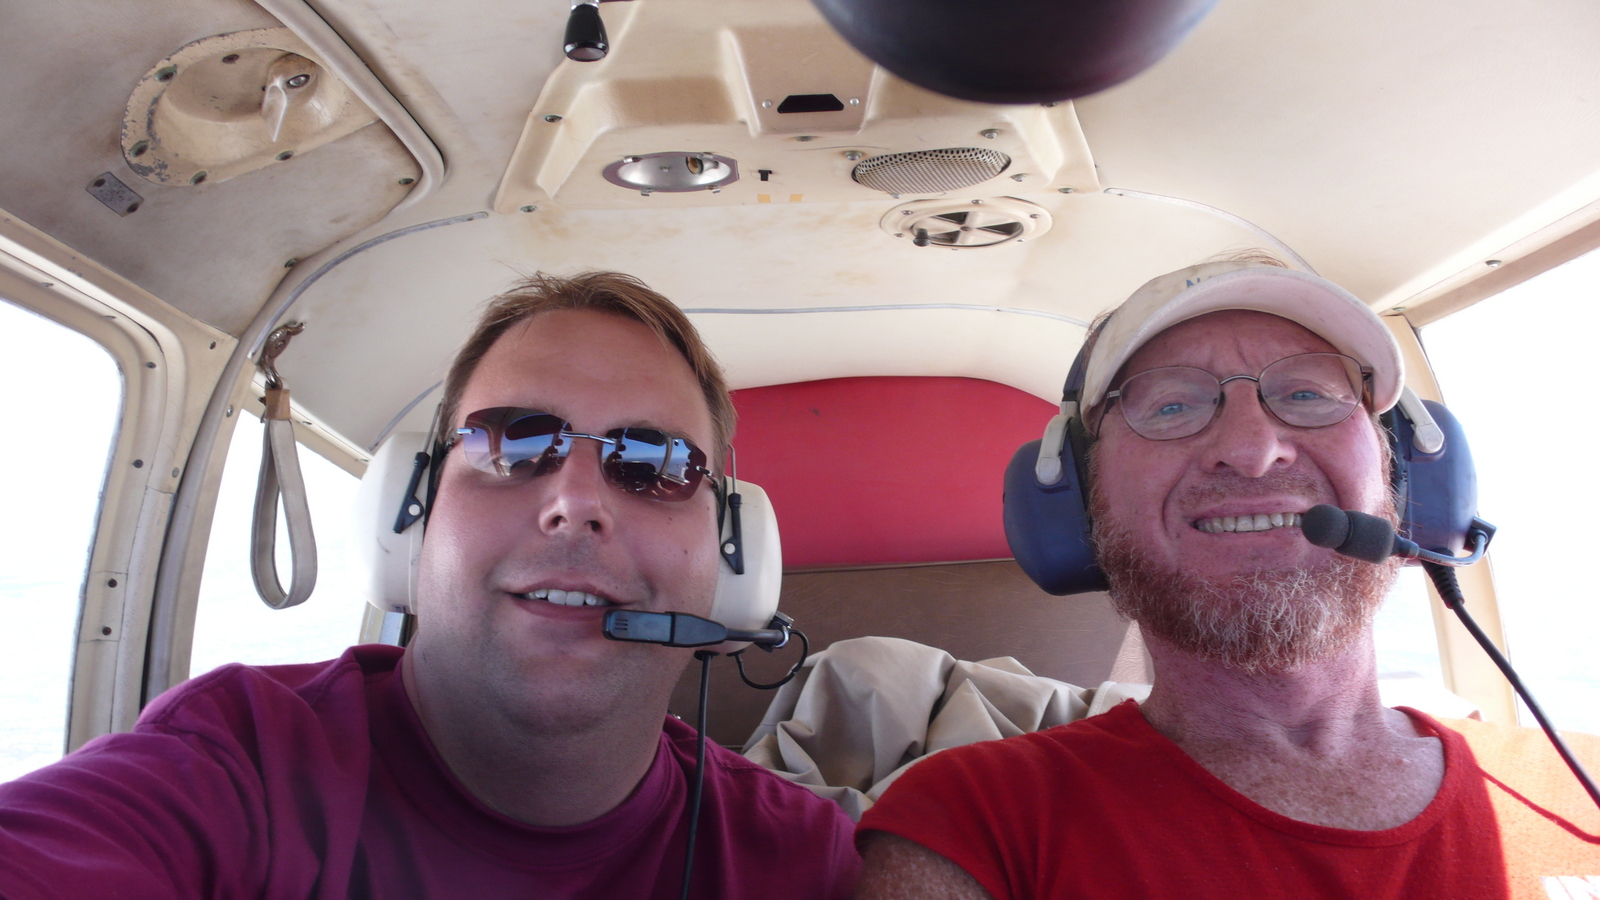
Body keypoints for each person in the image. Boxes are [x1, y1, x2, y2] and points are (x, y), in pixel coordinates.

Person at [0, 272, 859, 898]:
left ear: (733, 551)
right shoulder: (234, 769)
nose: (576, 503)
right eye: (512, 443)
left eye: (657, 463)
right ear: (409, 513)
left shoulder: (809, 861)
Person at [854, 258, 1600, 898]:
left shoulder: (1579, 787)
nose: (1251, 449)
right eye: (1171, 405)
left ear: (1404, 477)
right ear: (1077, 501)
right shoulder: (975, 822)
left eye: (1307, 394)